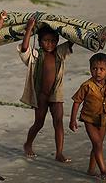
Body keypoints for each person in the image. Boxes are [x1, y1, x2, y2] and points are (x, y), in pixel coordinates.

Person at [19, 17, 73, 161]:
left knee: (58, 121)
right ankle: (28, 144)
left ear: (57, 41)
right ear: (39, 40)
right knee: (39, 123)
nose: (49, 44)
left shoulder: (59, 53)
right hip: (41, 95)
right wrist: (29, 28)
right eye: (45, 41)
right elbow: (24, 48)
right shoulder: (36, 55)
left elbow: (72, 40)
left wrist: (66, 27)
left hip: (56, 94)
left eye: (53, 41)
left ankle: (59, 152)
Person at [70, 53, 106, 180]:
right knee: (98, 144)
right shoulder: (87, 86)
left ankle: (90, 170)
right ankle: (103, 170)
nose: (97, 72)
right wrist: (73, 120)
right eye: (94, 69)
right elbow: (77, 101)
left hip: (103, 120)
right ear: (90, 69)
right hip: (89, 119)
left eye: (101, 69)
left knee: (97, 145)